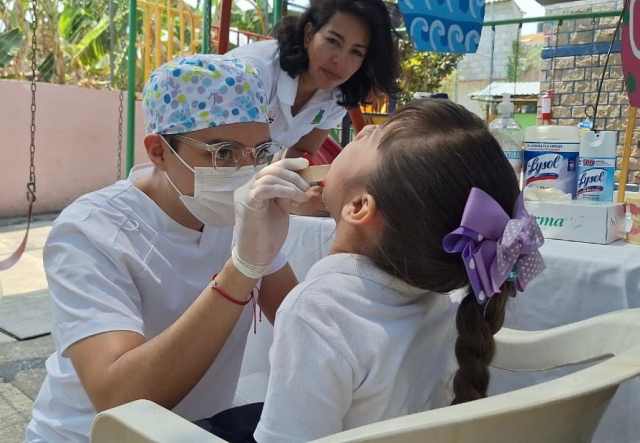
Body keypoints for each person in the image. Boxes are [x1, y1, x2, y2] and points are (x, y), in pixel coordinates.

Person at [201, 99, 546, 443]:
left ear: (358, 206)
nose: (364, 127)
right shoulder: (445, 299)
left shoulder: (313, 312)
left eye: (373, 137)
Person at [25, 54, 313, 443]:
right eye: (223, 153)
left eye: (260, 152)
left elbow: (303, 324)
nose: (246, 171)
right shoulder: (92, 231)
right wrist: (242, 269)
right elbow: (118, 398)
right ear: (158, 151)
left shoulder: (247, 213)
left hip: (193, 432)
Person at [226, 0, 401, 216]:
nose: (340, 60)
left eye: (357, 52)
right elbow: (230, 162)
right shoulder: (255, 74)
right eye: (333, 41)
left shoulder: (337, 93)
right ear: (309, 34)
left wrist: (303, 190)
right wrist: (288, 199)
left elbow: (302, 151)